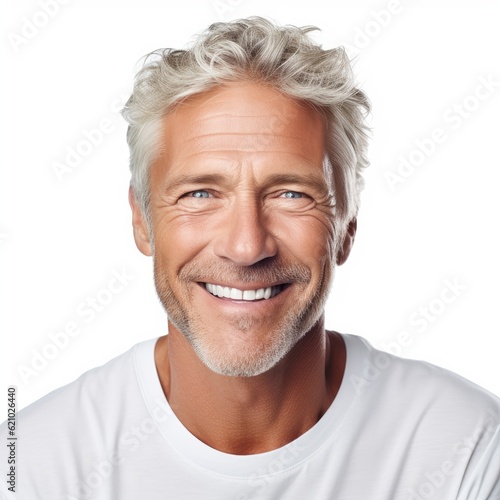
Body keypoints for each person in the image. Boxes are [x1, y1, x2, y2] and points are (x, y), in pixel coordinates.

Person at [1, 16, 499, 500]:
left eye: (290, 194)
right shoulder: (29, 464)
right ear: (142, 219)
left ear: (347, 225)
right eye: (199, 194)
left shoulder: (469, 448)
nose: (245, 246)